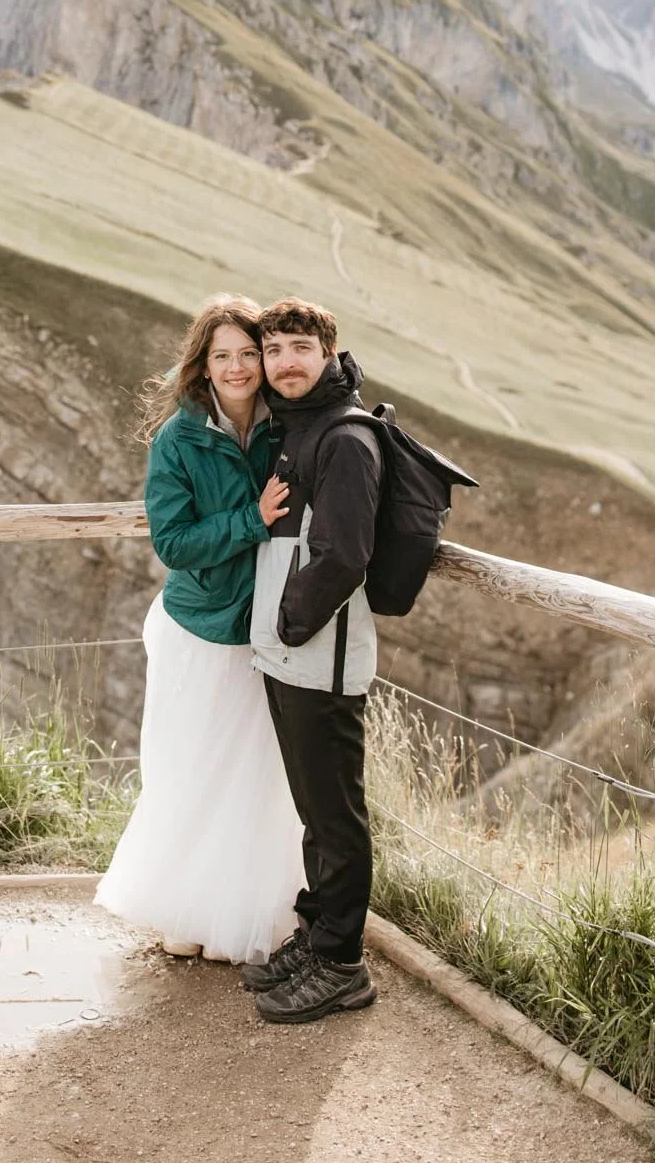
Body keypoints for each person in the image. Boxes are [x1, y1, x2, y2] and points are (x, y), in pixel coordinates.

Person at [95, 296, 305, 964]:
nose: (239, 367)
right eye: (223, 356)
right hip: (199, 630)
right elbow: (176, 544)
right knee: (190, 771)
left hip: (265, 629)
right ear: (202, 366)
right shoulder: (178, 440)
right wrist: (252, 517)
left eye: (250, 353)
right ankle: (182, 909)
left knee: (251, 777)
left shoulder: (287, 430)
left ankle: (236, 916)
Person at [242, 296, 381, 1022]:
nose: (284, 362)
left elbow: (345, 555)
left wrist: (290, 626)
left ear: (328, 351)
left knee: (336, 813)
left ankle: (342, 965)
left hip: (320, 658)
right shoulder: (301, 428)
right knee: (314, 810)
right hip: (293, 653)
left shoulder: (346, 438)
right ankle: (318, 931)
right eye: (274, 351)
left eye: (299, 347)